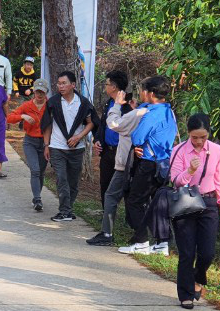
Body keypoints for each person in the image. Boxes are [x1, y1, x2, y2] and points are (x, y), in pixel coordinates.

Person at [167, 113, 220, 309]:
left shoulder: (216, 151)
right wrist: (190, 172)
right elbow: (175, 180)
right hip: (186, 204)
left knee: (207, 253)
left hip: (209, 203)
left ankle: (197, 277)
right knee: (187, 252)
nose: (199, 141)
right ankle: (185, 293)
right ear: (188, 133)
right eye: (195, 137)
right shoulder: (179, 151)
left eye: (203, 137)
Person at [119, 76, 177, 255]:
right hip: (165, 164)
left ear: (151, 94)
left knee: (134, 201)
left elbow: (137, 138)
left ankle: (141, 241)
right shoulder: (169, 111)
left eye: (144, 91)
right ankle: (162, 243)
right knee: (157, 203)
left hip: (149, 163)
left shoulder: (152, 114)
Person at [87, 89, 147, 246]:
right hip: (147, 163)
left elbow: (113, 124)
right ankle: (160, 238)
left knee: (111, 196)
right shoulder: (164, 113)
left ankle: (108, 234)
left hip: (127, 163)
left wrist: (117, 105)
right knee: (142, 199)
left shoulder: (137, 114)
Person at [41, 71, 95, 222]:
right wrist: (46, 145)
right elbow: (47, 125)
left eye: (64, 83)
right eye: (59, 83)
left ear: (73, 85)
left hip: (77, 149)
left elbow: (91, 122)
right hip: (57, 147)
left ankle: (68, 209)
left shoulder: (83, 103)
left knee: (73, 181)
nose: (60, 86)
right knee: (61, 178)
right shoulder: (53, 102)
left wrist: (79, 136)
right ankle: (64, 211)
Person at [7, 78, 49, 212]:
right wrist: (23, 117)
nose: (40, 94)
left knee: (41, 172)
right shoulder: (27, 105)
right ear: (33, 91)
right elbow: (9, 118)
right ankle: (37, 199)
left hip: (45, 142)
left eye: (42, 92)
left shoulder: (51, 105)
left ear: (46, 92)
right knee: (35, 170)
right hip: (30, 141)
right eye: (37, 91)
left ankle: (37, 196)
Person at [93, 71, 129, 206]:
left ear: (114, 87)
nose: (105, 87)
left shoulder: (128, 105)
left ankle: (129, 217)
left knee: (124, 185)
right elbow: (103, 125)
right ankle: (106, 213)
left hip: (121, 152)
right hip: (107, 151)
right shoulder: (109, 103)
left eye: (106, 84)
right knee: (105, 184)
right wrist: (97, 140)